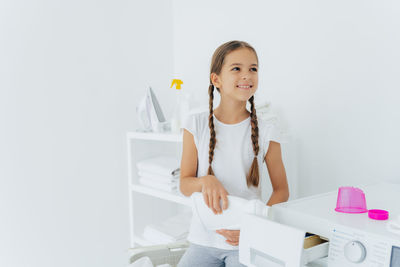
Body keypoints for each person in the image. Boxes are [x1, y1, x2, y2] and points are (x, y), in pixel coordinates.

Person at [177, 40, 289, 267]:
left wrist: (256, 226)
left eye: (253, 69)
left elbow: (282, 190)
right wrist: (205, 181)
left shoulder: (267, 131)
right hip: (202, 240)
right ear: (216, 79)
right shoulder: (195, 124)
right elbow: (185, 185)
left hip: (245, 240)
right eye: (237, 68)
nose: (247, 75)